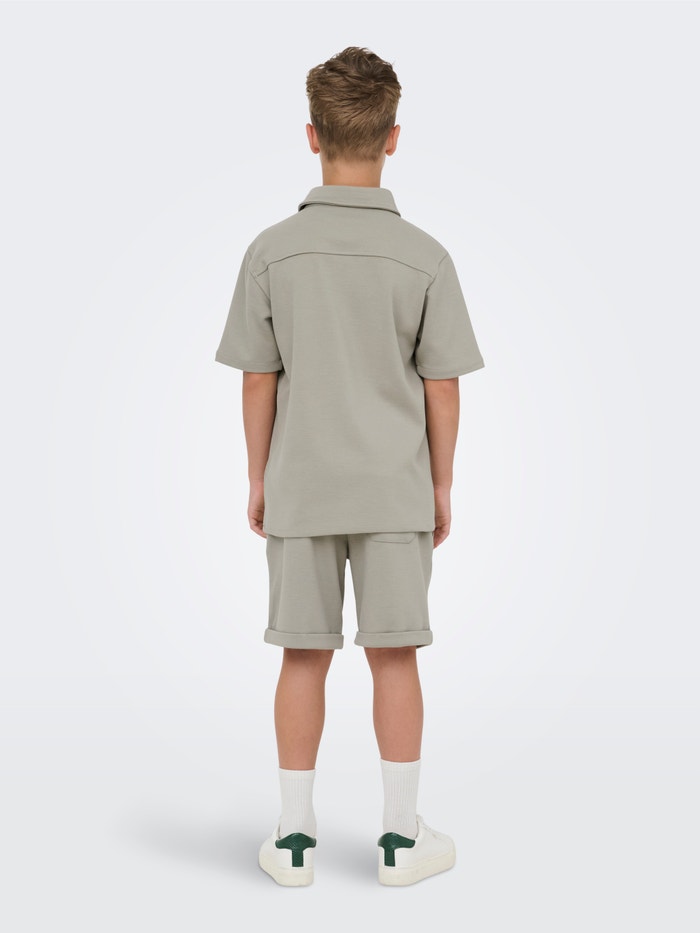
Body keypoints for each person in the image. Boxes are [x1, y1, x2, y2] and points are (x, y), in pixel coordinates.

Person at [214, 46, 485, 887]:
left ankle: (294, 840)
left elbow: (258, 377)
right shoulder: (425, 257)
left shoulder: (271, 251)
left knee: (302, 654)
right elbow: (442, 386)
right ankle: (401, 840)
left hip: (301, 487)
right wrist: (440, 484)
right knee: (394, 655)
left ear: (312, 135)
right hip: (394, 490)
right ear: (393, 137)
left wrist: (259, 476)